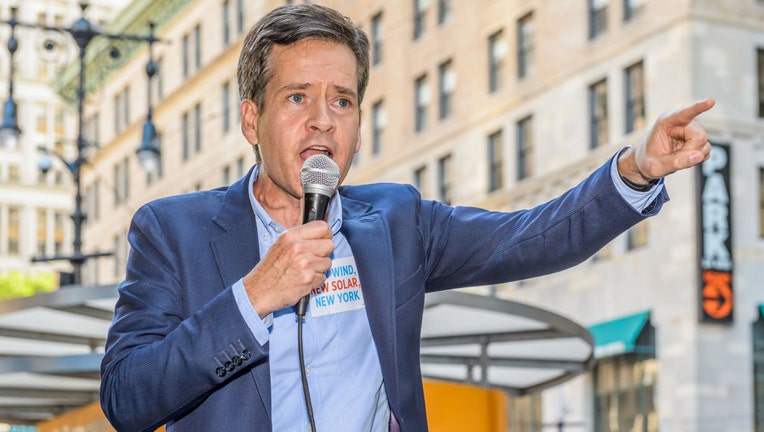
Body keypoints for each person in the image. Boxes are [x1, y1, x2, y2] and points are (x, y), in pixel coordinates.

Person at [99, 3, 714, 432]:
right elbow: (127, 398)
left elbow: (534, 238)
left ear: (359, 125)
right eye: (297, 98)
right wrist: (255, 296)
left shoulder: (395, 222)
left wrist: (635, 169)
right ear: (250, 120)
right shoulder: (171, 230)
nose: (323, 119)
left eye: (342, 100)